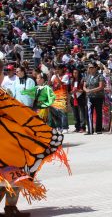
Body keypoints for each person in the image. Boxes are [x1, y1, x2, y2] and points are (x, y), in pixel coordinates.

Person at [0, 59, 70, 217]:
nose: (4, 76)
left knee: (9, 176)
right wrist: (42, 131)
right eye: (3, 72)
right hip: (8, 146)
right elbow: (20, 114)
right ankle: (10, 209)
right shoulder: (2, 95)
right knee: (16, 174)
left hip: (7, 143)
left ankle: (10, 208)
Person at [83, 62, 105, 135]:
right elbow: (84, 86)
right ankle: (90, 130)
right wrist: (86, 90)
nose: (90, 69)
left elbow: (101, 86)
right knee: (88, 113)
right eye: (89, 67)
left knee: (98, 113)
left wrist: (91, 90)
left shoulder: (100, 76)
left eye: (91, 67)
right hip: (89, 97)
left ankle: (98, 129)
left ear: (95, 68)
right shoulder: (87, 76)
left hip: (98, 97)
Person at [49, 64, 69, 132]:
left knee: (63, 112)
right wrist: (50, 75)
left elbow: (61, 83)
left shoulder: (65, 76)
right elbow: (49, 84)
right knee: (56, 112)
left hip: (62, 95)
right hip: (55, 96)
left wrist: (56, 75)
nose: (57, 70)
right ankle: (59, 126)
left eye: (58, 69)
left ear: (62, 69)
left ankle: (65, 127)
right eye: (56, 69)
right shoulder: (54, 76)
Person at [70, 68, 87, 133]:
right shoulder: (71, 80)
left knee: (82, 113)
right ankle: (77, 127)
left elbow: (83, 89)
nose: (75, 74)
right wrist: (72, 91)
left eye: (76, 73)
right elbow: (69, 90)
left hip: (80, 98)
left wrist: (77, 90)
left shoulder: (82, 80)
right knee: (75, 113)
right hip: (73, 98)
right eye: (74, 73)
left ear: (79, 73)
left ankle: (83, 127)